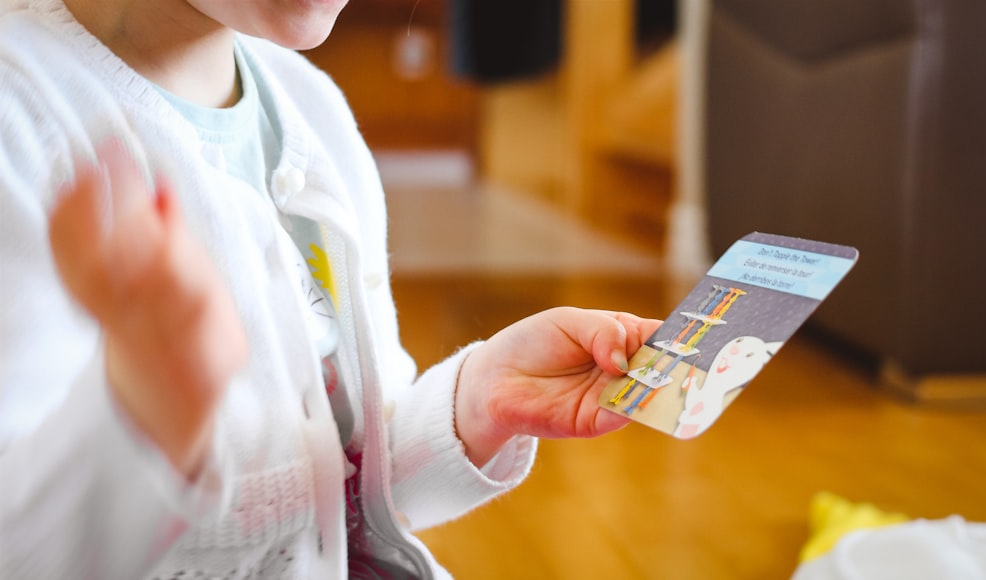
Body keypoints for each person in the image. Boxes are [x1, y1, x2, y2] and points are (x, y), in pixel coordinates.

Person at [0, 0, 661, 577]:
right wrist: (146, 412)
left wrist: (476, 406)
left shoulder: (308, 105)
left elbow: (341, 485)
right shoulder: (21, 122)